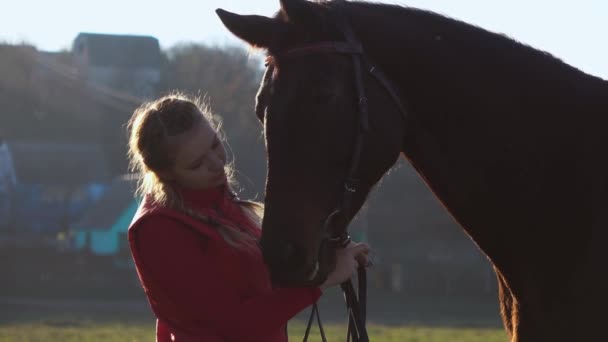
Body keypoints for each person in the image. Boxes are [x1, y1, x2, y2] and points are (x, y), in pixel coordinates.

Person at [126, 93, 370, 342]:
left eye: (214, 144)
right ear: (166, 174)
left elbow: (260, 282)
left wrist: (324, 255)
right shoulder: (158, 230)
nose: (217, 163)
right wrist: (320, 282)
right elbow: (230, 325)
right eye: (197, 164)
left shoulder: (218, 200)